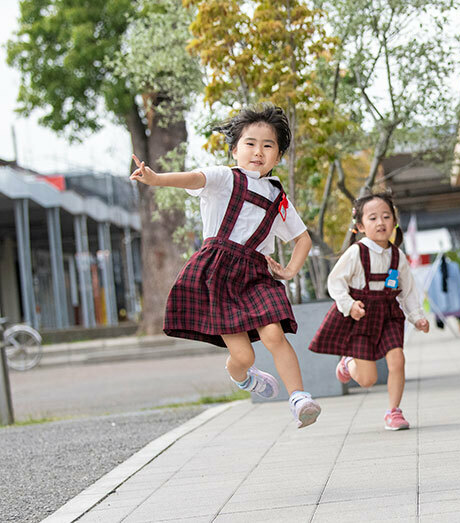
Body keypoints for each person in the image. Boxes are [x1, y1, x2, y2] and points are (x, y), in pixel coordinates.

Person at [129, 105, 321, 429]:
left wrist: (288, 270)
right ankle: (243, 377)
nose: (258, 151)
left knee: (274, 333)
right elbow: (193, 177)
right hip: (219, 274)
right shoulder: (222, 178)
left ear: (278, 155)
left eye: (268, 145)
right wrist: (156, 179)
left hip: (257, 274)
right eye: (250, 143)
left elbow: (303, 240)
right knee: (244, 357)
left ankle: (299, 398)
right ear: (234, 149)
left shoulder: (278, 197)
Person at [309, 193, 429, 430]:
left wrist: (417, 317)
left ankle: (393, 412)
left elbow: (408, 290)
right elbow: (336, 282)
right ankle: (348, 362)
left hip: (388, 314)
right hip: (361, 316)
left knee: (397, 359)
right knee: (368, 380)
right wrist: (349, 304)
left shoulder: (397, 256)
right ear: (361, 226)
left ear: (394, 222)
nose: (381, 222)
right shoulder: (356, 252)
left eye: (386, 216)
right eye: (373, 218)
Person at [428, 255, 460, 332]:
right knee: (458, 313)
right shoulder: (433, 269)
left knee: (458, 313)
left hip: (449, 298)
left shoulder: (452, 266)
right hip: (448, 299)